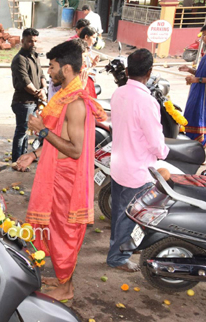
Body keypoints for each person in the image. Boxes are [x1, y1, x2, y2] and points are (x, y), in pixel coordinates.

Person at [25, 39, 106, 300]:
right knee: (52, 229)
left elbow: (74, 149)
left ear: (67, 68)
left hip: (66, 181)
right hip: (55, 176)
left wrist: (42, 130)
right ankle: (63, 280)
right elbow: (57, 139)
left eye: (52, 67)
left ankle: (66, 289)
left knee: (64, 234)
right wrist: (34, 154)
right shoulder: (64, 97)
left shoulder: (75, 103)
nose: (49, 72)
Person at [107, 49, 169, 272]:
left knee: (119, 213)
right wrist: (164, 151)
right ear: (150, 72)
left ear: (127, 71)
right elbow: (155, 143)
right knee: (129, 215)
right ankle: (118, 258)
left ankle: (117, 248)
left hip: (118, 164)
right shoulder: (147, 101)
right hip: (137, 168)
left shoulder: (119, 93)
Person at [10, 28, 47, 167]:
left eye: (35, 41)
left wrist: (44, 89)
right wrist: (39, 92)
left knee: (26, 132)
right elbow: (26, 83)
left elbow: (42, 75)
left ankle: (24, 158)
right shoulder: (19, 59)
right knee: (21, 132)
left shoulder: (35, 56)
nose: (33, 44)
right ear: (22, 41)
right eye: (30, 41)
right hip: (23, 102)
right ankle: (17, 161)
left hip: (33, 101)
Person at [180, 25, 206, 146]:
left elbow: (200, 77)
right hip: (197, 92)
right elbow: (201, 73)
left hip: (203, 96)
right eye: (203, 35)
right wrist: (190, 70)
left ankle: (201, 148)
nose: (204, 38)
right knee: (191, 116)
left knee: (201, 119)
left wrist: (197, 80)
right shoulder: (205, 55)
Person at [79, 26, 100, 98]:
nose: (95, 40)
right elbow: (82, 71)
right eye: (93, 37)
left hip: (87, 82)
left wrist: (93, 64)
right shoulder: (80, 49)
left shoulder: (88, 49)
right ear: (86, 37)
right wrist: (93, 67)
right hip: (82, 83)